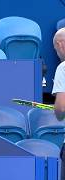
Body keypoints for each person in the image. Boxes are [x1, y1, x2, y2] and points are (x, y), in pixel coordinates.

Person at [52, 27, 65, 179]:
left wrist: (57, 110)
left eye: (56, 50)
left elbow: (61, 108)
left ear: (60, 45)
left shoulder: (63, 68)